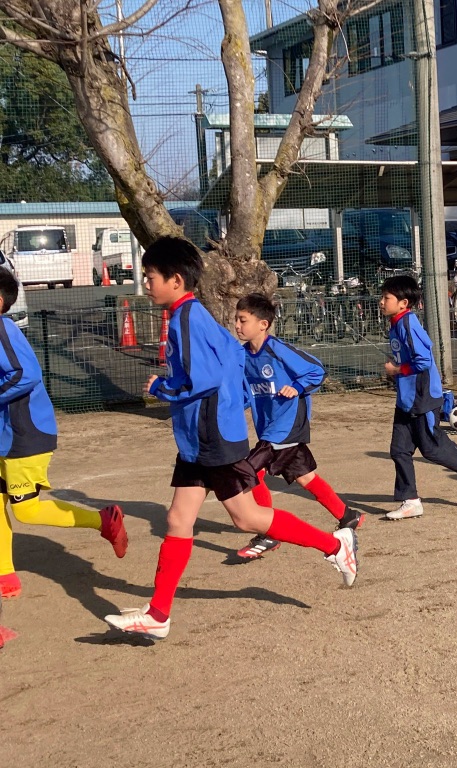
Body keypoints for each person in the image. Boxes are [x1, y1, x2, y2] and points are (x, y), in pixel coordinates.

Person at [103, 236, 357, 640]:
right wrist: (229, 399)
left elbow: (202, 378)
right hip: (200, 439)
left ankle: (333, 545)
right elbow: (232, 358)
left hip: (212, 439)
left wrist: (164, 389)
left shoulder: (186, 318)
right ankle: (158, 614)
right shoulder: (192, 315)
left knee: (247, 518)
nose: (145, 284)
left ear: (174, 280)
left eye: (150, 277)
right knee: (179, 519)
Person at [0, 266, 126, 603]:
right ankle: (4, 569)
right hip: (3, 435)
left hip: (25, 435)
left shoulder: (3, 330)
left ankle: (102, 520)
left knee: (26, 510)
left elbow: (25, 374)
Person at [232, 293, 363, 559]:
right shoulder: (243, 356)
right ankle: (348, 516)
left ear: (263, 324)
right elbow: (247, 394)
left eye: (242, 320)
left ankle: (268, 533)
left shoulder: (278, 349)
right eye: (236, 319)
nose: (237, 325)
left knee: (248, 471)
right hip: (269, 427)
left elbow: (316, 370)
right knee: (305, 477)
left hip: (287, 425)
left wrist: (297, 387)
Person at [380, 274, 457, 520]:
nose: (381, 302)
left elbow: (423, 360)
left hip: (422, 396)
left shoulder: (409, 324)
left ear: (403, 303)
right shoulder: (395, 325)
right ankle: (411, 501)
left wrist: (397, 370)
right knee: (399, 450)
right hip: (406, 399)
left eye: (387, 298)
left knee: (431, 448)